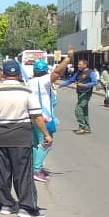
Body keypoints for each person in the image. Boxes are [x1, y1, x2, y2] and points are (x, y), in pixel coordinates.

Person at [0, 61, 52, 217]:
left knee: (1, 172)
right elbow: (36, 116)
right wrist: (46, 134)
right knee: (23, 173)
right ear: (19, 74)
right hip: (21, 135)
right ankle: (26, 207)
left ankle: (6, 204)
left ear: (3, 74)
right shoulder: (26, 91)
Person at [28, 52, 71, 183]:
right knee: (47, 143)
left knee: (36, 144)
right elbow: (57, 72)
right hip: (44, 118)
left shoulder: (31, 81)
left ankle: (33, 167)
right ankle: (36, 169)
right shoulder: (44, 81)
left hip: (33, 117)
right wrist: (68, 58)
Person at [58, 58, 98, 134]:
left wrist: (85, 85)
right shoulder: (78, 72)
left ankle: (82, 127)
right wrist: (60, 85)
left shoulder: (90, 72)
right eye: (78, 64)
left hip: (86, 93)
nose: (78, 65)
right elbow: (70, 80)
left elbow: (94, 82)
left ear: (85, 65)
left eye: (80, 64)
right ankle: (87, 127)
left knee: (78, 109)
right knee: (84, 110)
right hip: (79, 93)